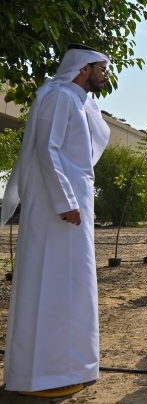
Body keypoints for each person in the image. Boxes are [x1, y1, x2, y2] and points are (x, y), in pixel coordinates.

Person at [1, 44, 111, 397]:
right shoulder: (59, 98)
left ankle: (67, 366)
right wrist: (66, 201)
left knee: (71, 285)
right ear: (82, 68)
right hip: (57, 210)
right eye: (100, 67)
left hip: (71, 207)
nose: (105, 73)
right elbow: (47, 150)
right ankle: (43, 373)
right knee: (51, 284)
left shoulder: (75, 100)